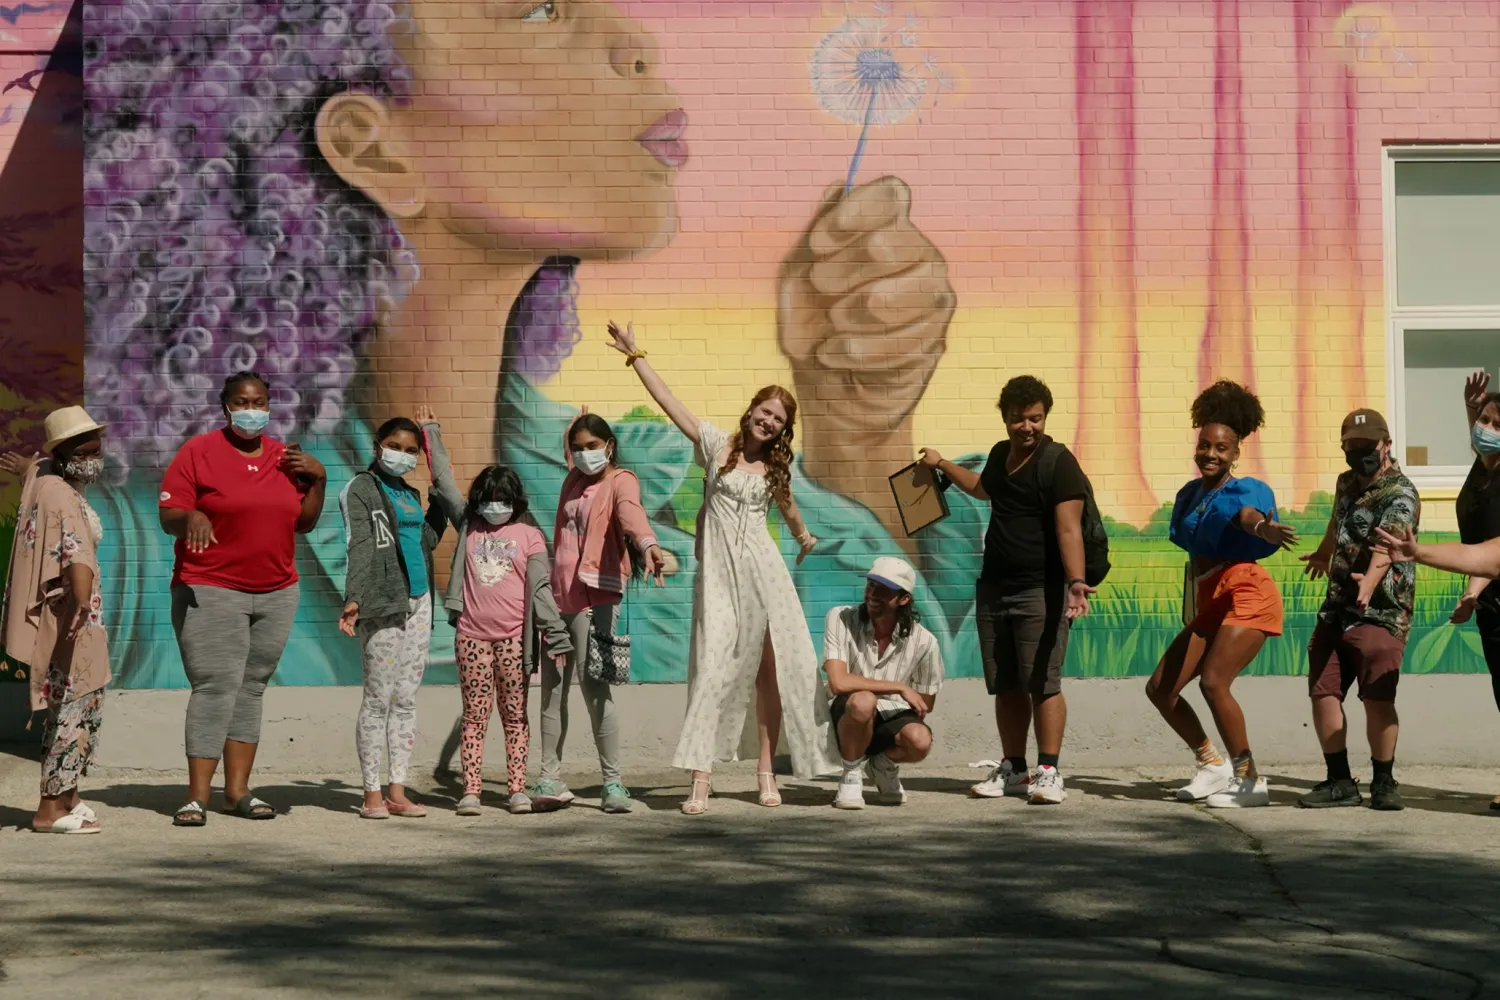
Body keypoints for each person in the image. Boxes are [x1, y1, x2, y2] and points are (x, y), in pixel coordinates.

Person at [86, 1, 958, 697]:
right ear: (371, 147)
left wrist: (866, 429)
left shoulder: (648, 475)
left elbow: (903, 617)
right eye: (539, 10)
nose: (637, 40)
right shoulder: (142, 553)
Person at [608, 320, 839, 815]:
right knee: (713, 668)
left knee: (770, 673)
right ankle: (701, 777)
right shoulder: (716, 446)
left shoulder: (777, 469)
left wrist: (803, 538)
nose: (769, 422)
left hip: (764, 573)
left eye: (778, 419)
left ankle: (766, 772)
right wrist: (636, 356)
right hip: (718, 577)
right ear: (752, 409)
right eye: (765, 411)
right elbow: (672, 407)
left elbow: (791, 508)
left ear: (783, 428)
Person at [159, 371, 328, 826]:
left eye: (259, 401)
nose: (251, 409)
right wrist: (190, 515)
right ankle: (197, 796)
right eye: (241, 401)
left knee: (252, 687)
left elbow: (304, 523)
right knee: (215, 687)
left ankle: (238, 791)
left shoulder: (285, 457)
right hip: (211, 587)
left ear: (270, 407)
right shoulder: (198, 453)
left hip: (276, 590)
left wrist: (319, 480)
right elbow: (169, 514)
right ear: (225, 406)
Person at [920, 375, 1093, 806]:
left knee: (1043, 682)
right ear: (1006, 419)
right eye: (1019, 419)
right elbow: (982, 489)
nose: (1027, 427)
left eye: (1035, 418)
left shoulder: (1058, 462)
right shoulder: (1001, 455)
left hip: (1042, 589)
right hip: (995, 587)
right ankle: (1014, 768)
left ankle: (1049, 771)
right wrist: (942, 464)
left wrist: (1075, 584)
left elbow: (1069, 527)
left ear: (1044, 417)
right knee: (1007, 683)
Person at [1144, 381, 1298, 808]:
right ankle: (1213, 766)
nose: (1211, 454)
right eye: (1205, 445)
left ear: (1235, 453)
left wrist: (1264, 528)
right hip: (1211, 596)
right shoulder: (1191, 495)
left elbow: (1245, 516)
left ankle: (1250, 781)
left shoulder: (1242, 490)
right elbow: (1196, 552)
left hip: (1247, 590)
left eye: (1222, 448)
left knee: (1214, 682)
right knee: (1160, 688)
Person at [530, 411, 666, 815]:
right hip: (559, 598)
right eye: (578, 447)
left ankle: (613, 783)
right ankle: (550, 778)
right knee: (553, 690)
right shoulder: (573, 479)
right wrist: (570, 429)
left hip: (598, 597)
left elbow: (630, 512)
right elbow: (569, 452)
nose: (585, 454)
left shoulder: (620, 480)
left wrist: (646, 543)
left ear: (609, 446)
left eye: (593, 446)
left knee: (595, 688)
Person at [338, 405, 460, 819]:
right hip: (382, 602)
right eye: (394, 446)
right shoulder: (361, 488)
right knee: (378, 699)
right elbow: (358, 543)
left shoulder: (410, 493)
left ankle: (397, 789)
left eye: (410, 450)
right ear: (378, 447)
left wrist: (441, 502)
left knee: (406, 699)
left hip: (419, 601)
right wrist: (354, 596)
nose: (402, 454)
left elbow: (425, 540)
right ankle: (371, 793)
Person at [1297, 408, 1418, 812]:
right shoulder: (1346, 482)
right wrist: (1323, 552)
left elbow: (1391, 543)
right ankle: (1339, 781)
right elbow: (1339, 521)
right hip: (1336, 608)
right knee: (1324, 691)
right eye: (1352, 446)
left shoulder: (1401, 493)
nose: (1359, 453)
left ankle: (1384, 781)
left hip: (1381, 610)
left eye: (1367, 446)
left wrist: (1369, 581)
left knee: (1377, 698)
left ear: (1386, 445)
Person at [0, 407, 111, 833]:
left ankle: (69, 796)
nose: (94, 457)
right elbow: (75, 550)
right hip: (72, 618)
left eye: (97, 448)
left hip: (74, 615)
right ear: (64, 454)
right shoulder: (62, 494)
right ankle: (50, 810)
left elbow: (40, 472)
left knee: (81, 705)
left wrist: (31, 466)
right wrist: (82, 600)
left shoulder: (49, 481)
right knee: (72, 708)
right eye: (85, 451)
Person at [445, 464, 573, 816]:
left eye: (502, 499)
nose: (494, 506)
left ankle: (517, 789)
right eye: (487, 499)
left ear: (515, 500)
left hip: (514, 640)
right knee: (474, 716)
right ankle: (471, 790)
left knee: (515, 716)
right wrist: (432, 433)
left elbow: (541, 591)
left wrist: (557, 636)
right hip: (471, 636)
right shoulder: (469, 527)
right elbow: (443, 481)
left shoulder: (529, 536)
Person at [824, 557, 945, 810]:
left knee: (920, 741)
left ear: (903, 599)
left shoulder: (925, 642)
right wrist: (899, 687)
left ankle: (881, 764)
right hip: (846, 714)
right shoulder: (841, 618)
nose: (873, 594)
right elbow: (838, 682)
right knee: (863, 700)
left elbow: (925, 703)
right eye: (870, 585)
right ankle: (851, 774)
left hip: (890, 713)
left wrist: (903, 698)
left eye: (884, 589)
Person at [1454, 371, 1500, 812]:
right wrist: (1473, 408)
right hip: (1492, 604)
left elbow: (1494, 550)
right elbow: (1480, 445)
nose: (1486, 429)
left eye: (1496, 425)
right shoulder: (1484, 468)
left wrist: (1471, 591)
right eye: (1485, 420)